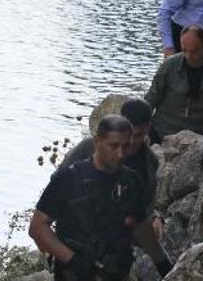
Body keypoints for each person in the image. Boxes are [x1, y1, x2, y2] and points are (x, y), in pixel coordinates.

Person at [29, 115, 157, 281]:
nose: (120, 154)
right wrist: (74, 260)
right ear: (97, 142)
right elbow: (37, 227)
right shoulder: (69, 179)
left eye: (125, 146)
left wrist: (163, 264)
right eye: (113, 146)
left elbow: (141, 227)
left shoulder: (131, 181)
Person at [59, 100, 174, 279]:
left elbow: (142, 212)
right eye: (130, 135)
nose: (133, 142)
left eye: (139, 135)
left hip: (116, 251)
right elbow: (58, 186)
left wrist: (154, 216)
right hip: (77, 243)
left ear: (148, 128)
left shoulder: (149, 164)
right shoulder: (88, 148)